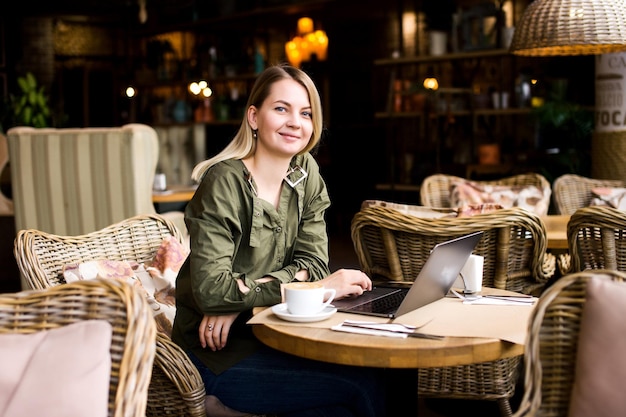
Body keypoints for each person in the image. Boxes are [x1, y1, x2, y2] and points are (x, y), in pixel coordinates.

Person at [172, 64, 387, 417]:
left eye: (305, 113)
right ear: (254, 117)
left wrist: (238, 302)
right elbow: (211, 291)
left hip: (276, 333)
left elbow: (315, 264)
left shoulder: (307, 173)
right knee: (362, 386)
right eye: (281, 109)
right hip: (216, 354)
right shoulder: (223, 183)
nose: (295, 122)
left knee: (370, 383)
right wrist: (319, 288)